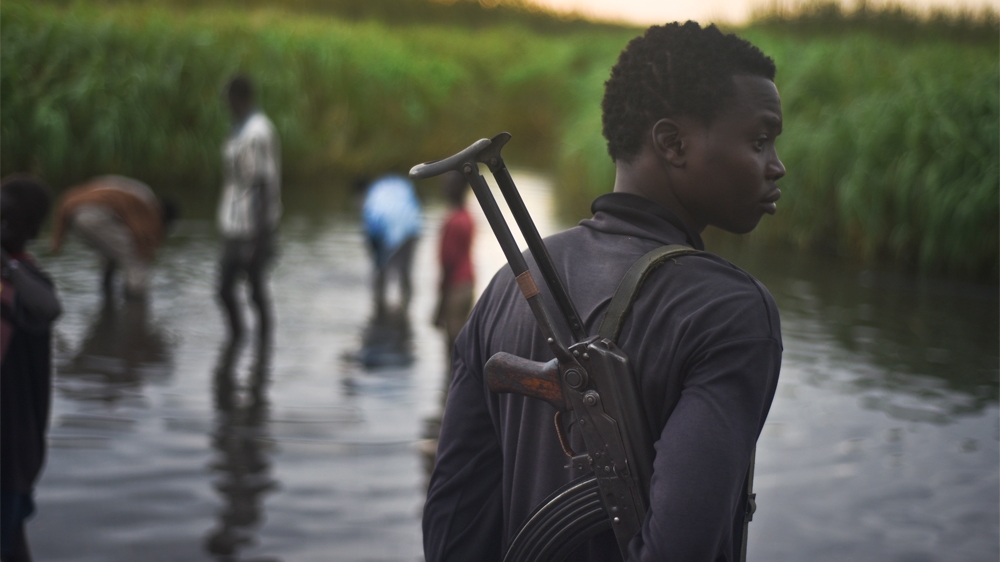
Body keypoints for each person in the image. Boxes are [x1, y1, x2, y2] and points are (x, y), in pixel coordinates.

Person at [423, 21, 785, 562]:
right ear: (672, 143)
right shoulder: (730, 311)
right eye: (759, 141)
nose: (776, 166)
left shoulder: (509, 283)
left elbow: (453, 532)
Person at [1, 175, 61, 562]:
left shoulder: (28, 283)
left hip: (9, 453)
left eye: (6, 222)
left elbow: (49, 307)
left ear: (31, 231)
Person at [217, 75, 281, 344]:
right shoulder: (239, 129)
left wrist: (259, 236)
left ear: (238, 97)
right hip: (235, 224)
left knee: (253, 291)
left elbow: (263, 185)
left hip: (251, 227)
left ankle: (262, 347)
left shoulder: (257, 132)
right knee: (227, 290)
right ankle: (241, 341)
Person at [50, 175, 178, 299]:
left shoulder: (136, 189)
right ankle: (136, 305)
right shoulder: (149, 204)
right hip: (93, 217)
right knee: (136, 256)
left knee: (113, 250)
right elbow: (141, 235)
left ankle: (107, 297)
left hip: (74, 215)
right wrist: (146, 252)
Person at [433, 171, 474, 390]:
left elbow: (447, 264)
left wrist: (438, 306)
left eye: (448, 185)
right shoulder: (467, 217)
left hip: (456, 287)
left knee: (453, 342)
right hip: (467, 283)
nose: (445, 188)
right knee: (459, 338)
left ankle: (453, 388)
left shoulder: (452, 221)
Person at [361, 174, 422, 314]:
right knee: (405, 271)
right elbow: (416, 203)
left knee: (380, 270)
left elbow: (372, 235)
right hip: (411, 227)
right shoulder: (400, 184)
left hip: (391, 227)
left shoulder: (371, 196)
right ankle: (406, 306)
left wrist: (378, 260)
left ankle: (379, 304)